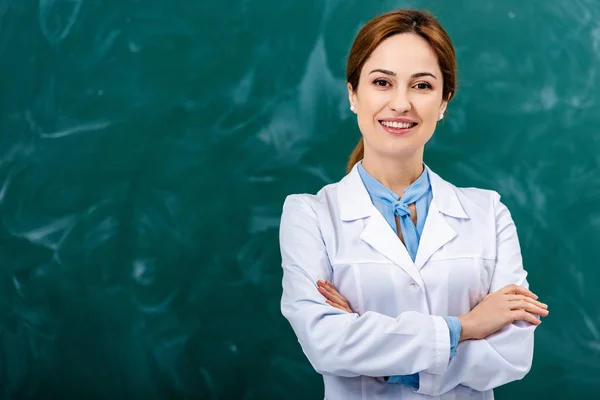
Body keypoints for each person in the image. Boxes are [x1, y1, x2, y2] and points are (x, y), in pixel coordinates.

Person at [278, 9, 549, 400]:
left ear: (444, 101)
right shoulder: (310, 215)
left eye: (421, 86)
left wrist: (374, 352)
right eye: (382, 82)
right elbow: (326, 343)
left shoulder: (489, 213)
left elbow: (511, 354)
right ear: (353, 94)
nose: (401, 103)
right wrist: (466, 327)